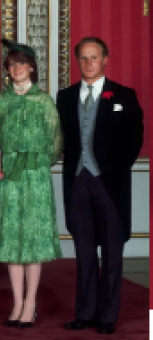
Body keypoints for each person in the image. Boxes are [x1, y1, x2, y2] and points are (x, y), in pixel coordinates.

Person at [57, 37, 144, 335]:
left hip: (110, 185)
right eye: (83, 58)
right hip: (78, 182)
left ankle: (107, 316)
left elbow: (135, 139)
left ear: (105, 59)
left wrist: (115, 170)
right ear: (78, 60)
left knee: (111, 253)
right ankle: (85, 313)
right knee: (83, 253)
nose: (89, 63)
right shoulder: (65, 97)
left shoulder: (124, 95)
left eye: (94, 57)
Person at [0, 41, 62, 329]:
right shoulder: (0, 101)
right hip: (7, 178)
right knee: (11, 241)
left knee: (33, 241)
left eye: (21, 64)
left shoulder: (44, 102)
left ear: (32, 68)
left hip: (36, 177)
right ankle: (17, 302)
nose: (16, 69)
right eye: (11, 64)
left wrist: (35, 164)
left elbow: (55, 143)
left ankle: (31, 303)